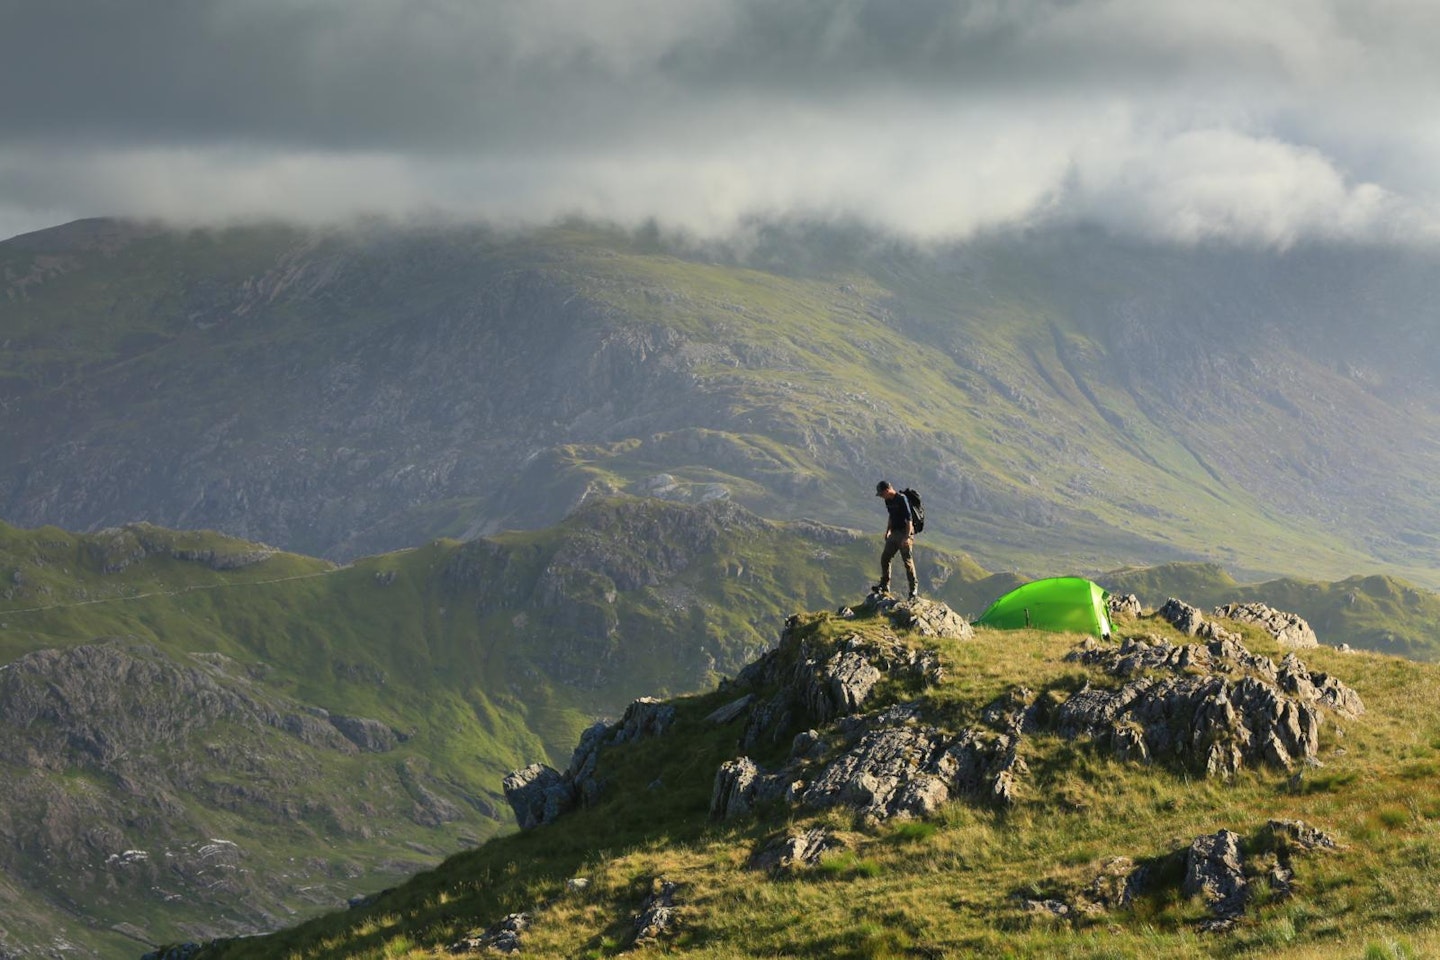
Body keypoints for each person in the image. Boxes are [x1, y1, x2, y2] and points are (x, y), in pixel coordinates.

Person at [873, 480, 918, 601]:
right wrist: (888, 530)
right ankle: (884, 585)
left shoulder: (902, 499)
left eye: (882, 494)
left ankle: (913, 590)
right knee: (885, 558)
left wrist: (907, 537)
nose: (882, 497)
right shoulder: (888, 500)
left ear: (887, 490)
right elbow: (891, 516)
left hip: (905, 532)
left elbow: (909, 520)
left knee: (907, 562)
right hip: (895, 532)